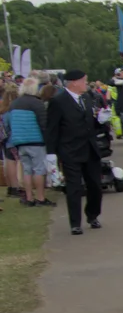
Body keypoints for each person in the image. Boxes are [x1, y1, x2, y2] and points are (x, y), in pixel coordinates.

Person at [44, 70, 106, 236]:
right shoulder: (58, 101)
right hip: (70, 150)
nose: (86, 83)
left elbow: (89, 122)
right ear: (74, 83)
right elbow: (52, 128)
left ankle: (92, 215)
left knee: (95, 186)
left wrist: (100, 120)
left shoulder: (86, 98)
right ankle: (75, 223)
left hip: (90, 149)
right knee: (74, 188)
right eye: (84, 81)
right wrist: (51, 153)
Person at [7, 79, 49, 207]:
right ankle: (40, 198)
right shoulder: (37, 103)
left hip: (20, 141)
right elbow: (43, 123)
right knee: (39, 169)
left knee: (27, 170)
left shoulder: (14, 104)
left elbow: (9, 123)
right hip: (35, 140)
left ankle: (29, 197)